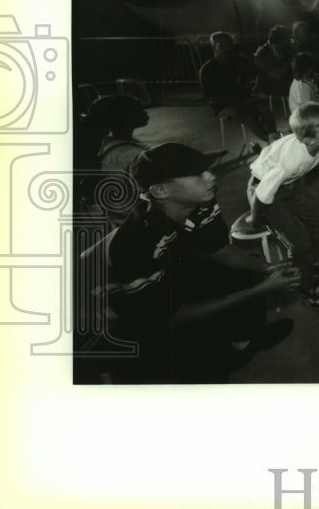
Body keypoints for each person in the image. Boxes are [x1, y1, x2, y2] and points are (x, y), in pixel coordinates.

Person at [90, 142, 300, 382]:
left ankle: (244, 342)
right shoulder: (134, 244)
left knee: (247, 268)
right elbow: (168, 318)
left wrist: (267, 269)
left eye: (207, 169)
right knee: (198, 367)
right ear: (160, 191)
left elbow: (220, 249)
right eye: (197, 174)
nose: (211, 176)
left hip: (165, 272)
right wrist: (258, 291)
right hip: (114, 314)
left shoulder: (201, 201)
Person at [246, 102, 319, 312]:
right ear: (309, 139)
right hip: (265, 191)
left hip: (290, 185)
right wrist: (255, 219)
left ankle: (314, 265)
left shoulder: (317, 142)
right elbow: (263, 194)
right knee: (300, 242)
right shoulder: (292, 160)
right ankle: (307, 286)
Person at [199, 31, 275, 148]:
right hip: (222, 105)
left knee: (264, 107)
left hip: (243, 97)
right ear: (214, 47)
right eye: (222, 46)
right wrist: (244, 101)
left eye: (229, 45)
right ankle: (273, 144)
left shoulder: (239, 60)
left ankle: (273, 137)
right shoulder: (207, 70)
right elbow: (212, 98)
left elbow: (261, 72)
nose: (227, 48)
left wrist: (257, 88)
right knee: (248, 116)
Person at [254, 25, 295, 98]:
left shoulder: (285, 48)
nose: (289, 42)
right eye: (287, 40)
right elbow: (276, 74)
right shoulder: (262, 53)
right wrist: (292, 56)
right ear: (280, 41)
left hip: (286, 89)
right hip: (271, 93)